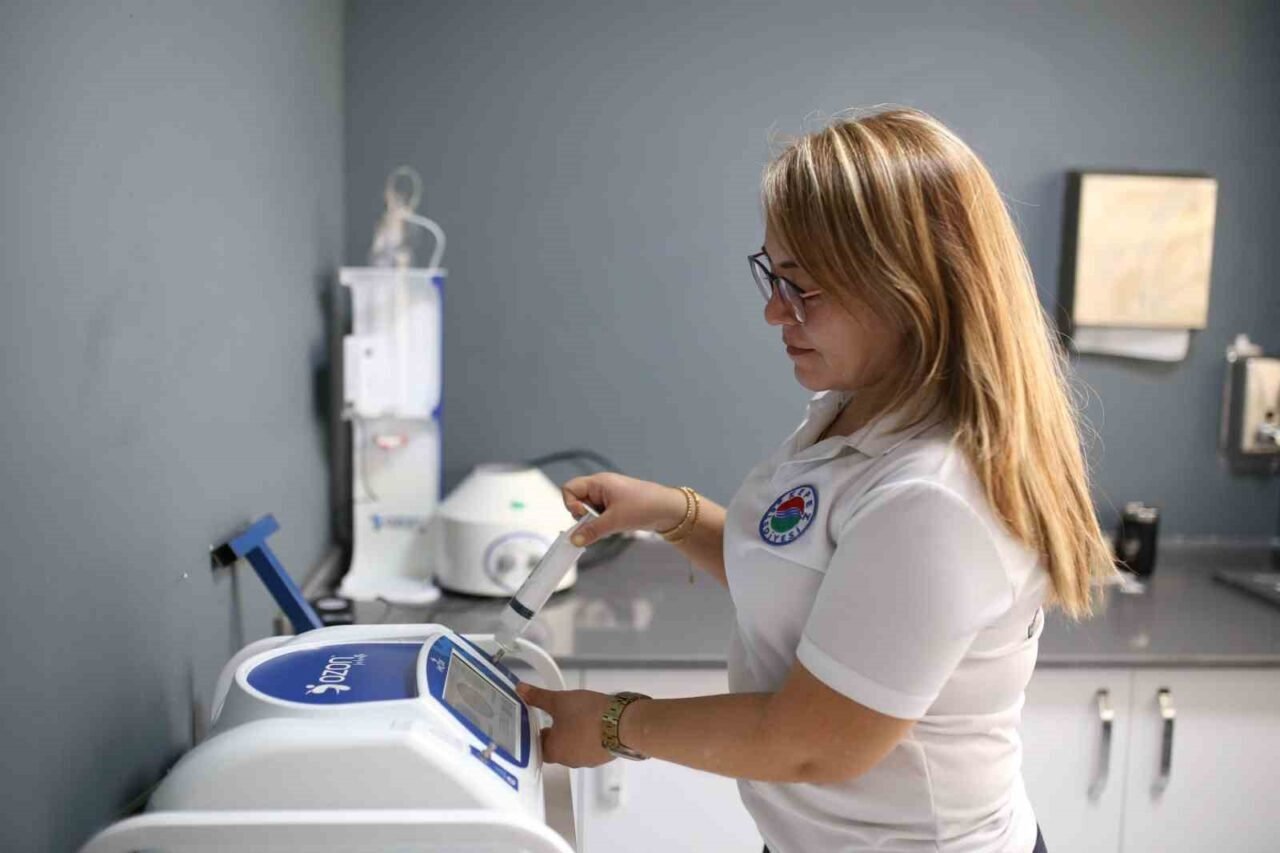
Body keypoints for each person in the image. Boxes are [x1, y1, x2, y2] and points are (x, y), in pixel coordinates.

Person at [514, 106, 1115, 853]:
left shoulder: (933, 496)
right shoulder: (858, 413)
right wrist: (673, 514)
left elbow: (814, 741)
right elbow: (812, 581)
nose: (775, 310)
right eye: (773, 275)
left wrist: (615, 723)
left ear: (908, 285)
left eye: (803, 287)